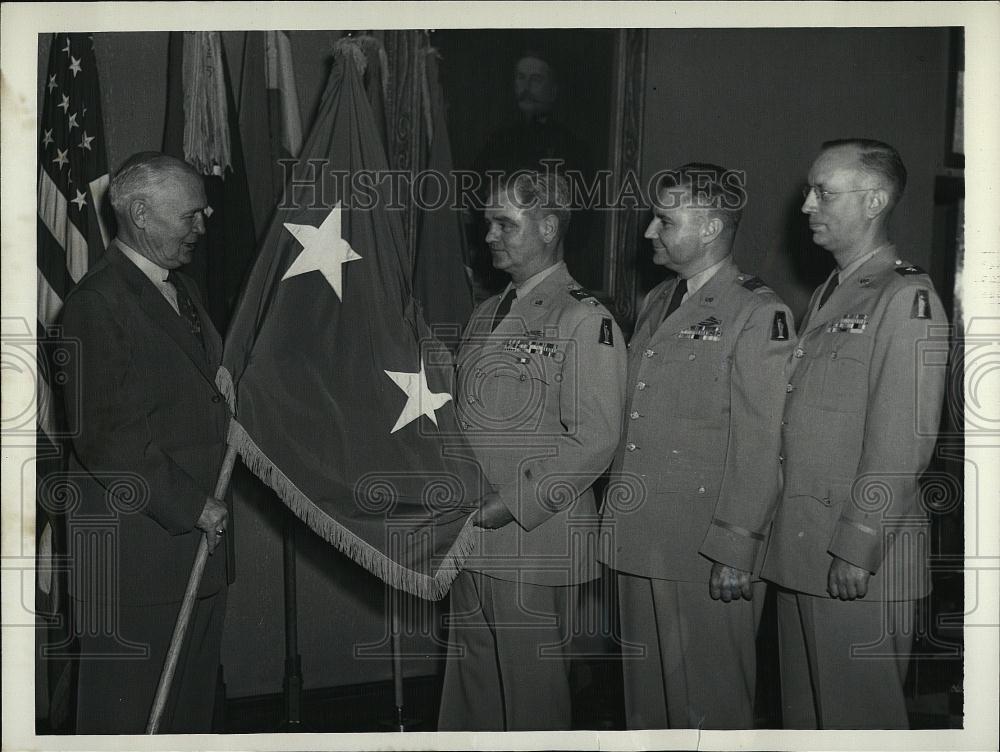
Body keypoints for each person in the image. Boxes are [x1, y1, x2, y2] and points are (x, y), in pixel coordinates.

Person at [599, 163, 795, 729]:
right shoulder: (661, 299)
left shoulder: (758, 313)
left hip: (704, 546)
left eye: (664, 220)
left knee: (710, 710)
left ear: (710, 227)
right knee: (647, 711)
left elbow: (763, 442)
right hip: (642, 537)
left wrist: (737, 546)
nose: (648, 233)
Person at [760, 139, 948, 729]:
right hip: (802, 549)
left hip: (858, 557)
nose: (807, 205)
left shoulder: (905, 296)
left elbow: (902, 439)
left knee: (858, 727)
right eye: (811, 190)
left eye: (824, 192)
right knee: (807, 725)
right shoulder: (832, 294)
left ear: (874, 201)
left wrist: (858, 542)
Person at [438, 171, 626, 731]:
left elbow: (596, 438)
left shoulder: (584, 318)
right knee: (473, 691)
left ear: (547, 227)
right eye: (487, 223)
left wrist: (513, 502)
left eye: (504, 224)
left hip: (531, 535)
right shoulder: (487, 312)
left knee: (531, 703)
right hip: (472, 532)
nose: (490, 236)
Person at [58, 152, 233, 733]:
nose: (202, 227)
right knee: (125, 727)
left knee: (186, 726)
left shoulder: (176, 289)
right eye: (190, 215)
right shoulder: (96, 305)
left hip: (194, 559)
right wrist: (194, 506)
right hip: (138, 566)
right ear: (139, 214)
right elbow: (109, 442)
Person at [468, 51, 594, 298]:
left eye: (535, 79)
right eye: (520, 78)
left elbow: (582, 220)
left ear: (553, 90)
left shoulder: (571, 147)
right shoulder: (498, 141)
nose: (526, 87)